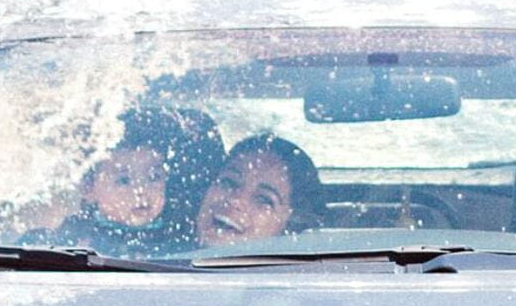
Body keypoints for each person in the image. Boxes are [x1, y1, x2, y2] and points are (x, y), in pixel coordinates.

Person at [58, 105, 224, 256]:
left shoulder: (182, 230)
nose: (141, 191)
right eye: (123, 180)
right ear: (89, 188)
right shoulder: (75, 234)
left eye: (154, 177)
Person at [196, 134, 320, 247]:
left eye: (264, 199)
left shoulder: (302, 272)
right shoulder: (177, 255)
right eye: (229, 183)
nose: (236, 200)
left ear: (288, 227)